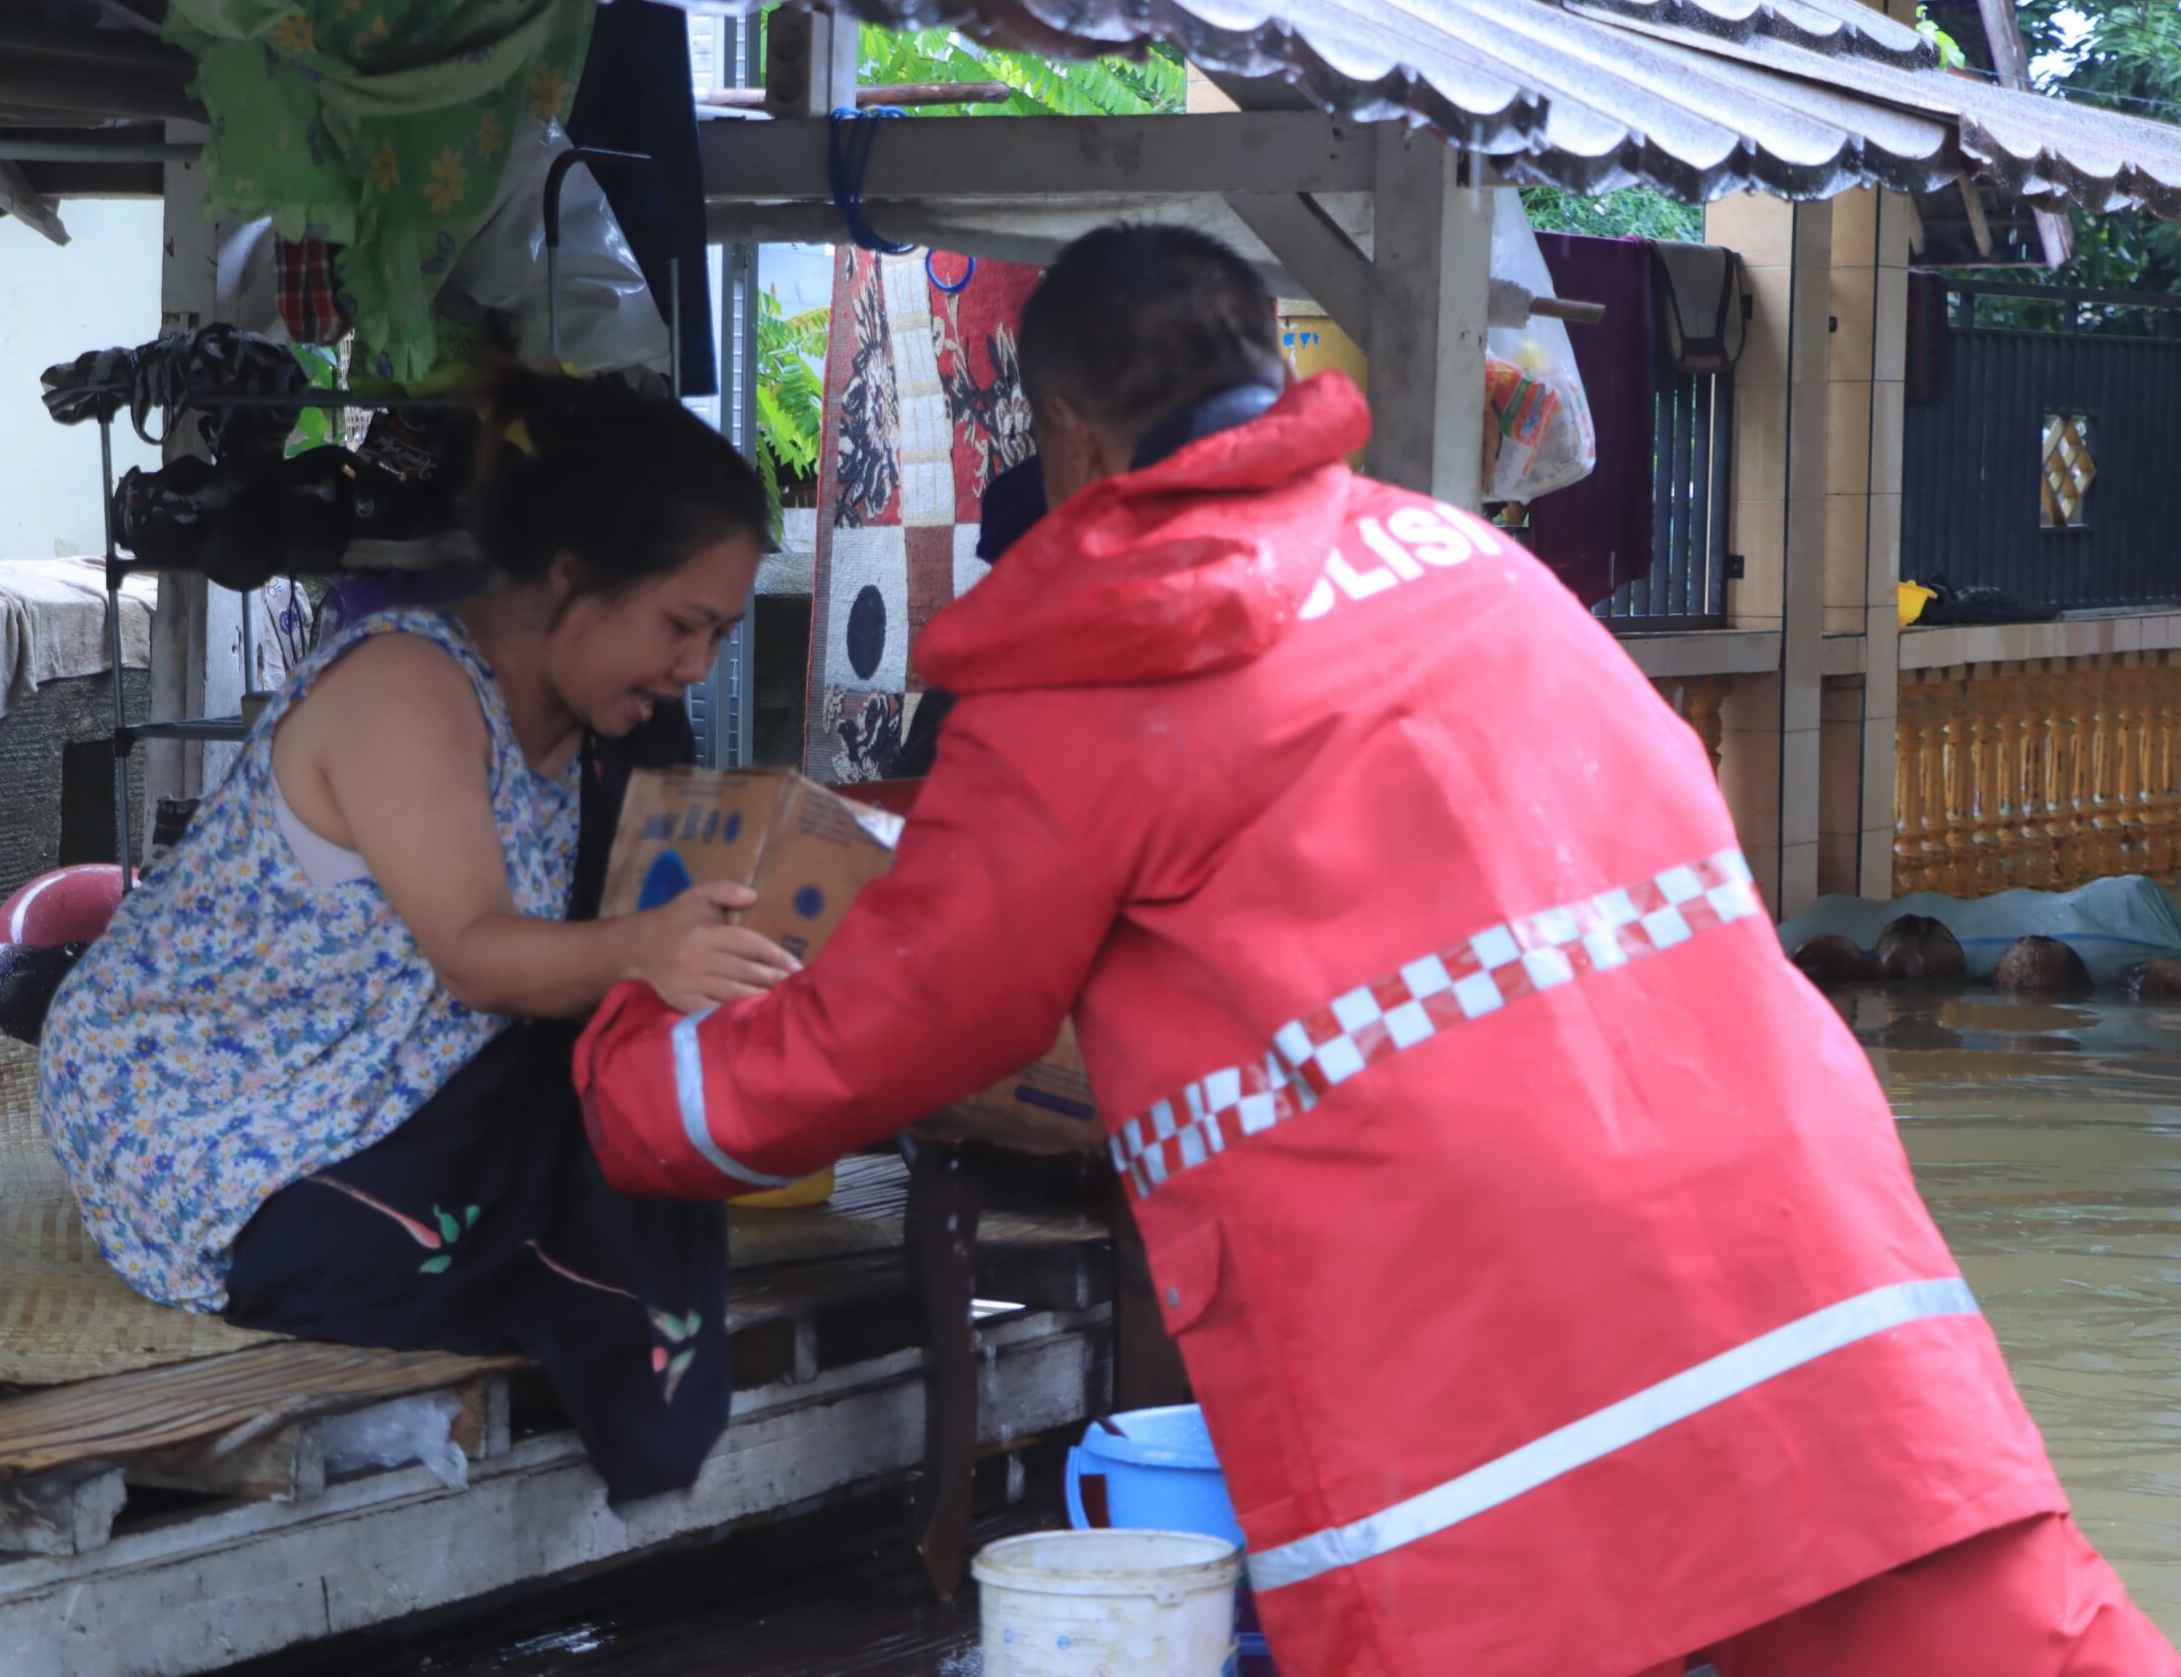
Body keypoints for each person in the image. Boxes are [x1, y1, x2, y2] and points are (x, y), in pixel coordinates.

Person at [574, 227, 2178, 1673]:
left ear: (1067, 433)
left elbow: (903, 1019)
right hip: (1799, 1268)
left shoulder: (1094, 677)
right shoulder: (1472, 564)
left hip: (1460, 1350)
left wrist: (625, 1076)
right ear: (1272, 377)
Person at [39, 371, 797, 1501]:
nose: (696, 666)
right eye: (680, 625)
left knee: (616, 1157)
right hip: (209, 1106)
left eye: (717, 635)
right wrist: (648, 947)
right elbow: (476, 952)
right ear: (572, 576)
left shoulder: (615, 736)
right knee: (403, 1249)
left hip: (394, 1084)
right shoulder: (409, 685)